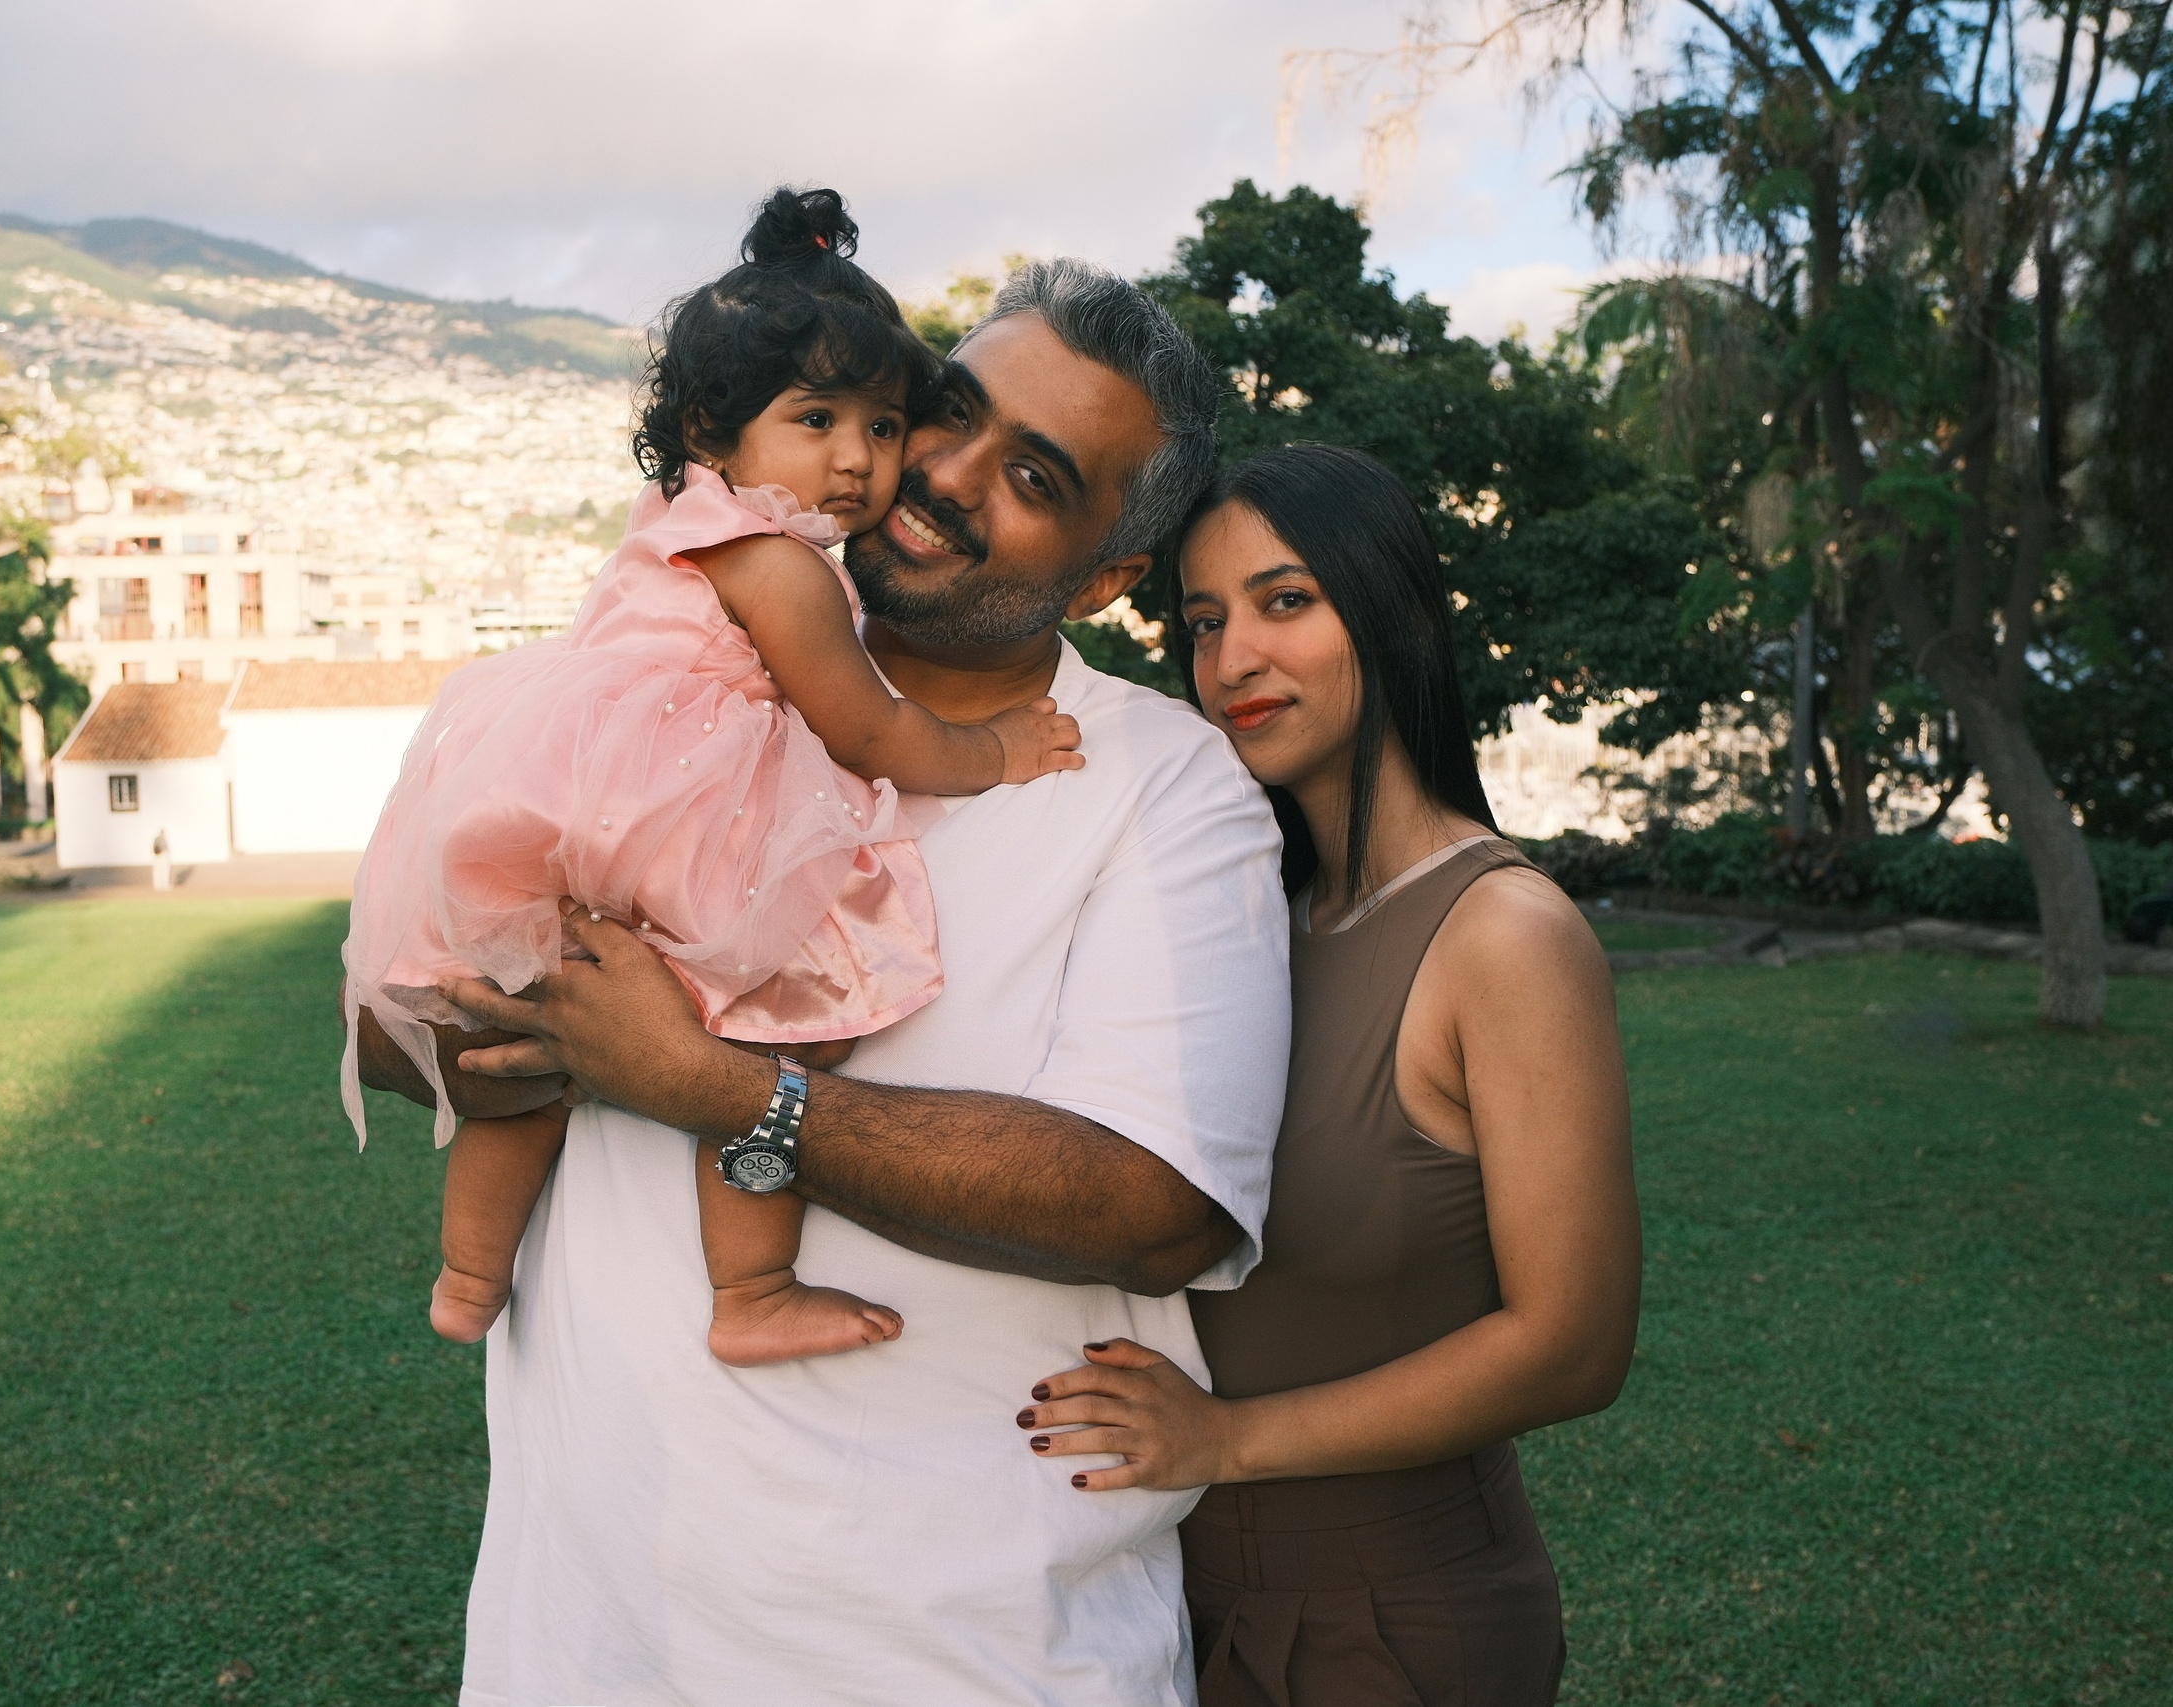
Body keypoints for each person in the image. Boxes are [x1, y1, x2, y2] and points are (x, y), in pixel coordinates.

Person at [353, 259, 1290, 1705]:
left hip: (947, 1651)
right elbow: (391, 1034)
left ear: (1106, 577)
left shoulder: (1163, 791)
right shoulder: (658, 692)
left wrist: (721, 1090)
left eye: (1033, 473)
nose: (939, 472)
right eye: (949, 412)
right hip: (584, 1634)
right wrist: (498, 1033)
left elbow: (1155, 1201)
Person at [341, 188, 1082, 1369]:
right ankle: (751, 1289)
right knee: (778, 1041)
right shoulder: (777, 562)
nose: (856, 460)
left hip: (568, 811)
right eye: (816, 419)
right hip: (670, 816)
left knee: (543, 1055)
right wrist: (999, 750)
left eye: (885, 427)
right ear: (710, 426)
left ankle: (469, 1277)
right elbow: (871, 731)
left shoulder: (670, 521)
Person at [1013, 445, 1642, 1706]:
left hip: (1397, 1621)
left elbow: (1574, 1346)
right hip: (1175, 1602)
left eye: (1284, 601)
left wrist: (1228, 1441)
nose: (1231, 658)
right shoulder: (1249, 922)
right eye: (1203, 621)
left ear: (1390, 606)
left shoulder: (1503, 936)